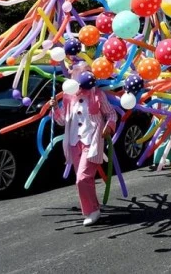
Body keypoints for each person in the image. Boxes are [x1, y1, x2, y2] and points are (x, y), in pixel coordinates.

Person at [50, 62, 117, 226]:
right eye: (79, 72)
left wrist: (108, 128)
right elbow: (62, 121)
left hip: (92, 141)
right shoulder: (68, 96)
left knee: (82, 178)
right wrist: (54, 109)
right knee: (85, 179)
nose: (83, 75)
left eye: (86, 72)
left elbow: (111, 114)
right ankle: (94, 208)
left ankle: (91, 211)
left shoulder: (97, 94)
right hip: (74, 142)